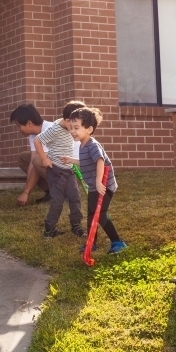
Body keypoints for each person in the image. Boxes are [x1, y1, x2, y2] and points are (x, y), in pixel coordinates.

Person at [61, 107, 127, 254]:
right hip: (94, 186)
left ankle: (118, 242)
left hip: (104, 185)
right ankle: (92, 243)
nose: (72, 131)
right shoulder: (82, 145)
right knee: (91, 215)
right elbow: (86, 162)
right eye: (71, 128)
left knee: (101, 215)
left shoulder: (92, 145)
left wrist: (99, 182)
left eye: (76, 128)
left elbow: (99, 161)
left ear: (89, 129)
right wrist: (71, 160)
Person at [35, 100, 87, 238]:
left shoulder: (71, 128)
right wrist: (44, 159)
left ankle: (76, 225)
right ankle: (49, 229)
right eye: (75, 123)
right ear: (67, 119)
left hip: (69, 168)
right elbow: (37, 140)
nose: (76, 128)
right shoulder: (55, 129)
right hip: (56, 170)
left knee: (75, 197)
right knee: (57, 200)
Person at [10, 104, 52, 206]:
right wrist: (26, 191)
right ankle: (51, 191)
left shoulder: (49, 130)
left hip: (72, 168)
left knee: (39, 160)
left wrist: (26, 192)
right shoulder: (33, 135)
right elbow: (32, 163)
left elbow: (39, 161)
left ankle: (63, 192)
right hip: (56, 163)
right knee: (24, 158)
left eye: (19, 125)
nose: (18, 129)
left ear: (29, 123)